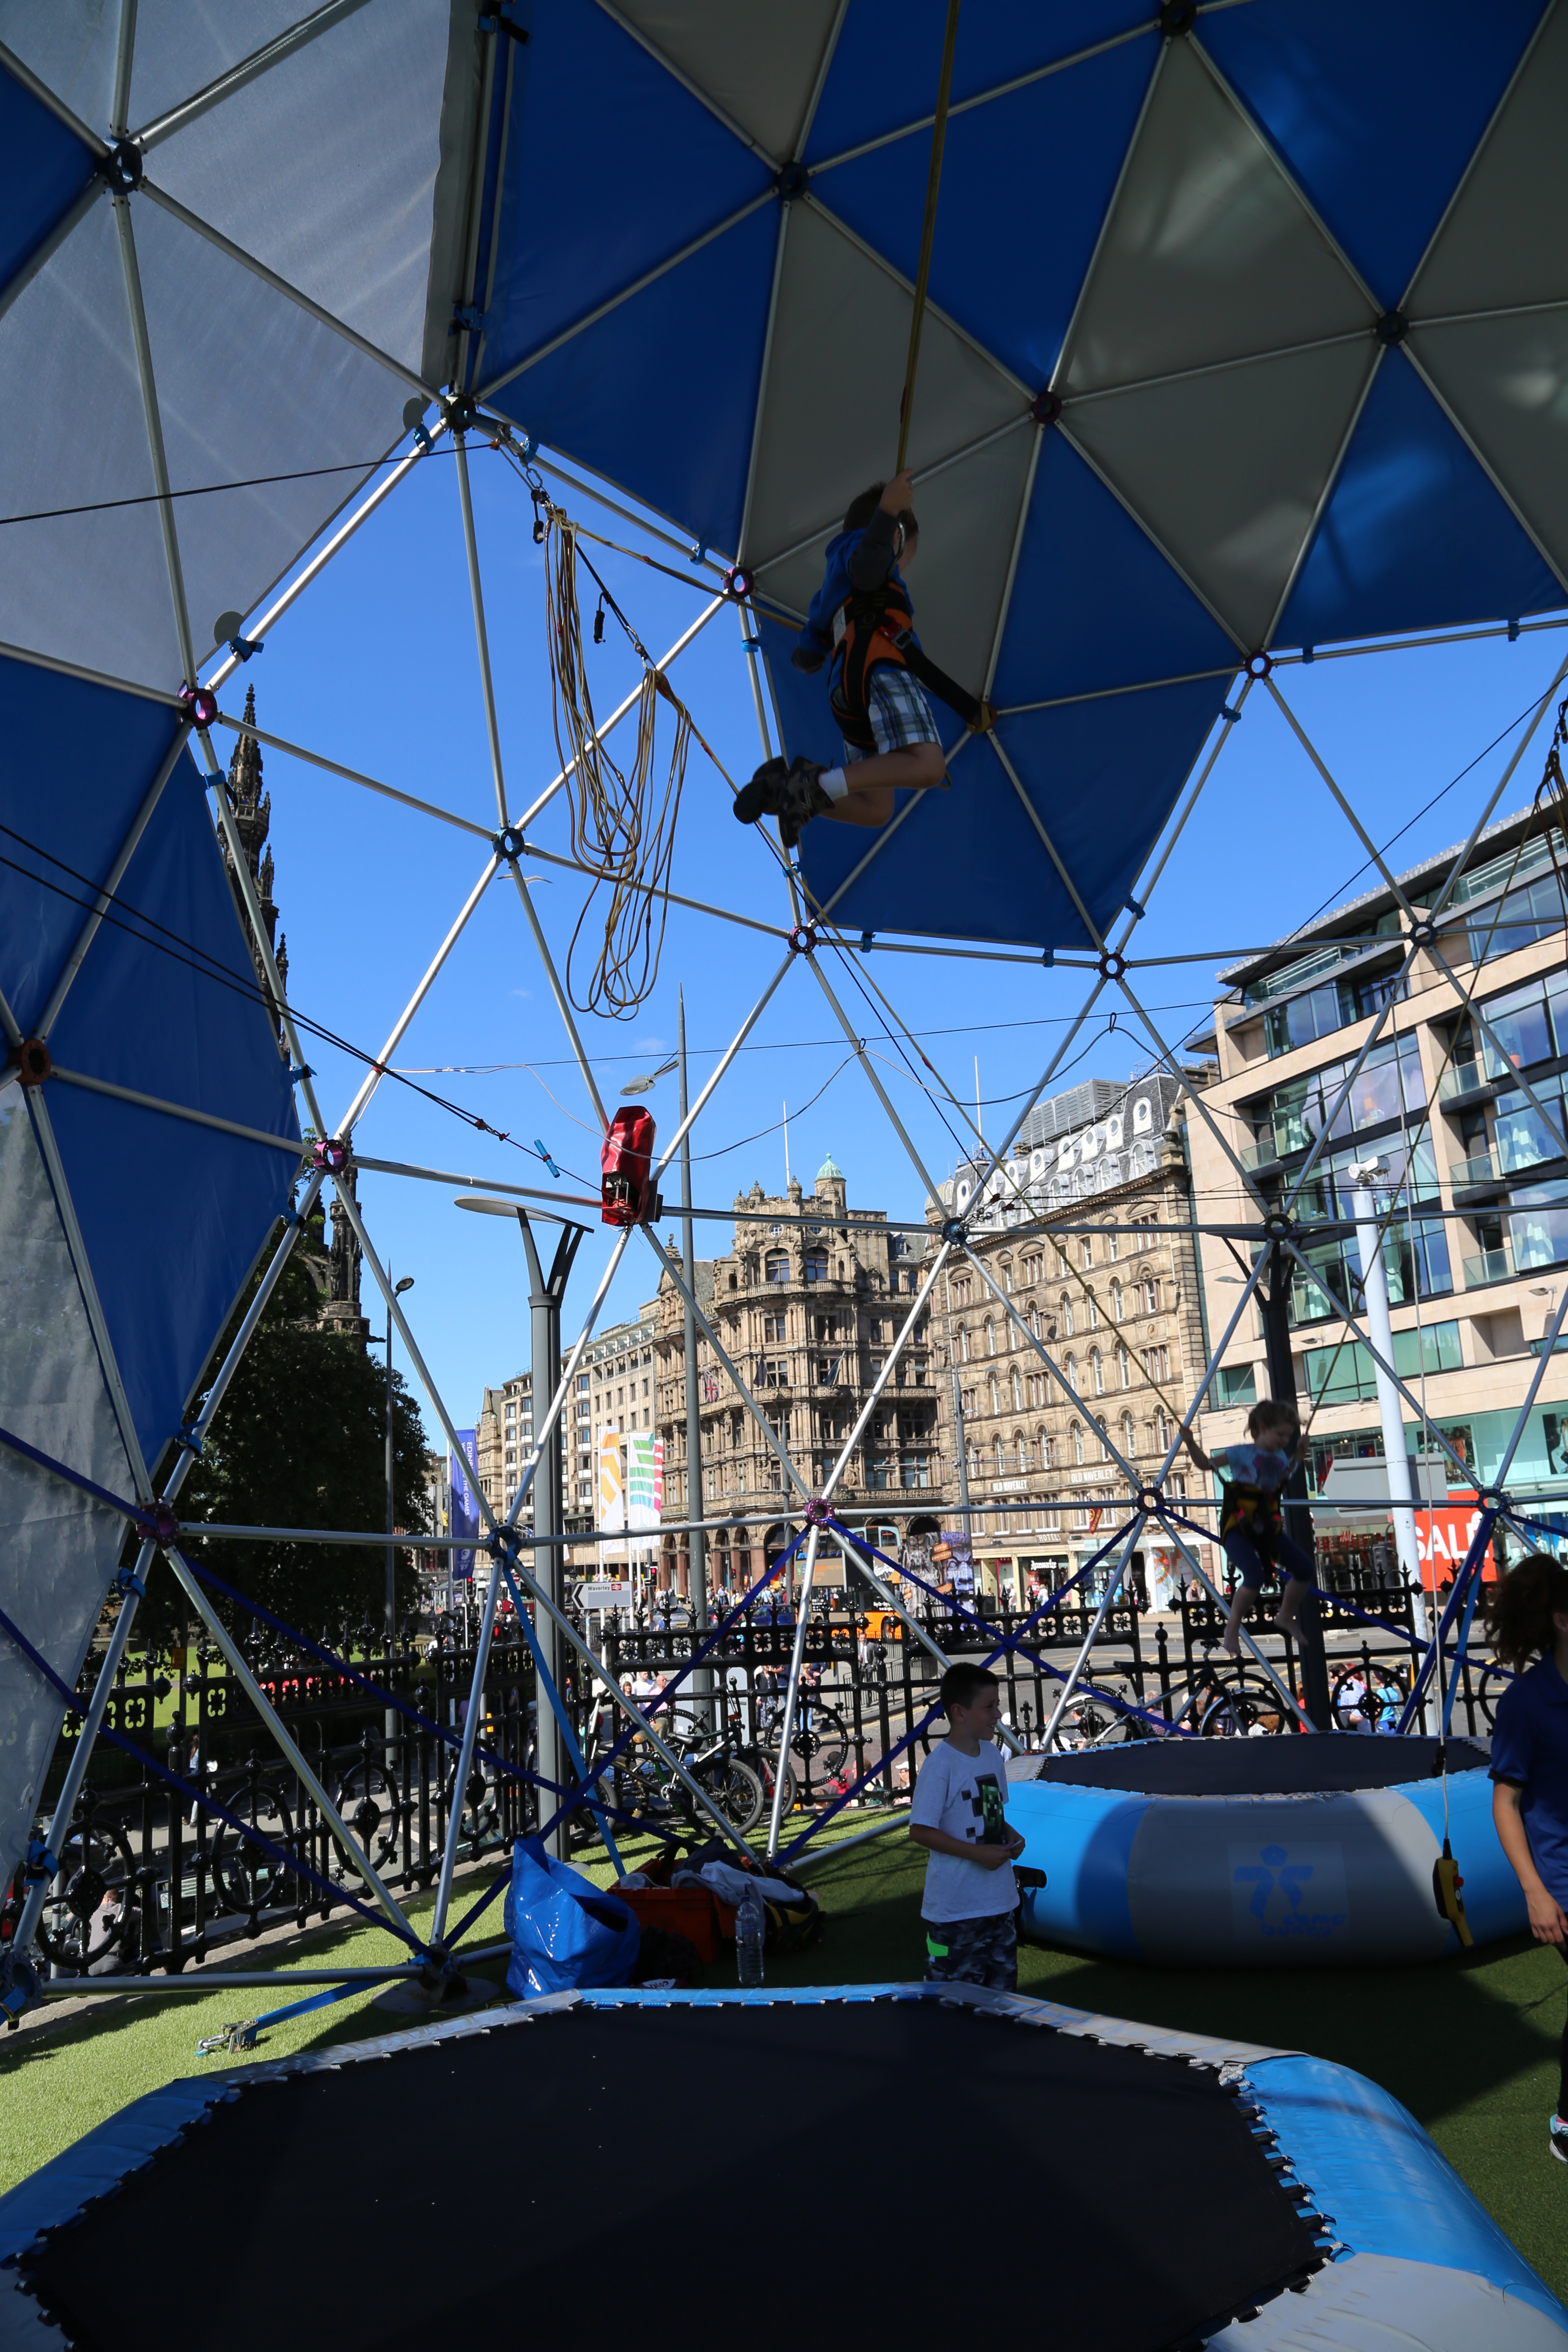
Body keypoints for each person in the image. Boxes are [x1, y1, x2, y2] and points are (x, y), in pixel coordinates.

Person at [732, 472, 972, 846]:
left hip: (845, 689)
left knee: (877, 810)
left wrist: (807, 653)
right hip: (880, 671)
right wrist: (890, 510)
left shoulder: (833, 584)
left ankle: (783, 791)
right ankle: (815, 785)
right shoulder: (869, 549)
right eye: (905, 558)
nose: (901, 569)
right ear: (897, 538)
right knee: (929, 766)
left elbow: (809, 652)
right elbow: (869, 566)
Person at [1487, 1555, 1568, 2163]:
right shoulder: (1526, 1704)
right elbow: (1506, 1803)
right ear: (1562, 1621)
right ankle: (1566, 2123)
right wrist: (1534, 1891)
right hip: (1563, 1879)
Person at [909, 1662, 1026, 1991]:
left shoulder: (992, 1756)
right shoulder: (940, 1765)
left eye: (997, 1705)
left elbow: (991, 1813)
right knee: (952, 1999)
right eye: (989, 1707)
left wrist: (1009, 1834)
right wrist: (977, 1854)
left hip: (999, 1903)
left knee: (1002, 1995)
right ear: (959, 1712)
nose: (998, 1714)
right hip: (955, 1911)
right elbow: (919, 1830)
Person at [1183, 1401, 1314, 1657]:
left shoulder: (1279, 1456)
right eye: (1281, 1434)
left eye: (1289, 1435)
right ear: (1262, 1428)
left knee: (1305, 1569)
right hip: (1238, 1526)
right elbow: (1205, 1465)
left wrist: (1299, 1452)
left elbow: (1286, 1473)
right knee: (1253, 1577)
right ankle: (1232, 1627)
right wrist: (1189, 1443)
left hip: (1267, 1525)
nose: (1285, 1440)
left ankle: (1285, 1616)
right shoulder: (1239, 1453)